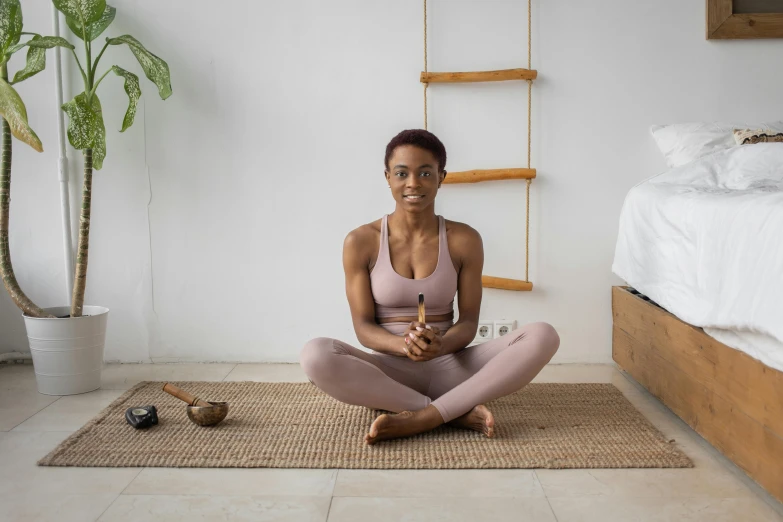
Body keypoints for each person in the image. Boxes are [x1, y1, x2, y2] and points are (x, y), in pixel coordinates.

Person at [300, 129, 559, 444]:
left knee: (543, 335)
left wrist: (442, 344)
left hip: (452, 366)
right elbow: (363, 328)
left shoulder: (464, 239)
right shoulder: (361, 241)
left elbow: (468, 322)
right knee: (315, 355)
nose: (413, 183)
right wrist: (404, 345)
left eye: (425, 172)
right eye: (402, 173)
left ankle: (423, 417)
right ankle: (453, 411)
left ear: (441, 177)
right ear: (388, 177)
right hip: (387, 370)